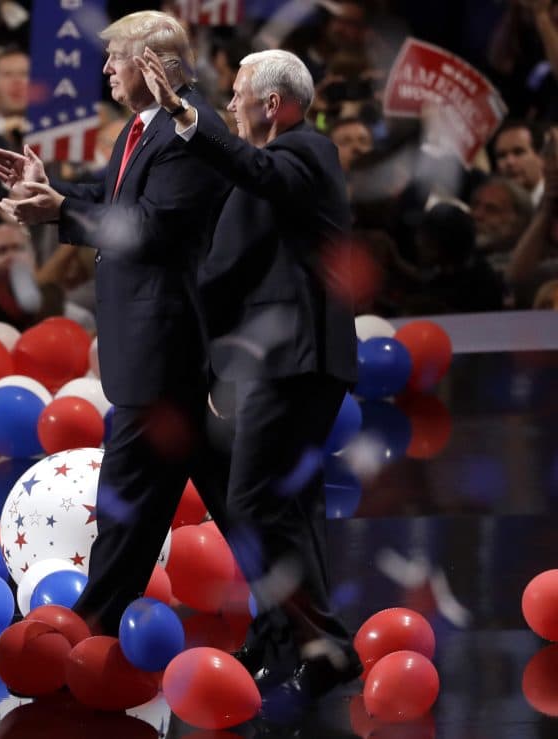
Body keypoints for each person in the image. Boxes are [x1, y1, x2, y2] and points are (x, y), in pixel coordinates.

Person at [0, 11, 228, 637]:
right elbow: (116, 202)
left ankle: (87, 634)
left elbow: (150, 229)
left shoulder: (188, 132)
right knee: (239, 508)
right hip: (153, 351)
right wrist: (52, 188)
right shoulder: (140, 129)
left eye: (115, 58)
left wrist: (58, 210)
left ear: (155, 66)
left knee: (128, 507)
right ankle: (307, 627)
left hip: (166, 350)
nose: (105, 70)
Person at [135, 46, 362, 708]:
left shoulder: (306, 151)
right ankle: (282, 639)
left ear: (273, 102)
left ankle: (328, 646)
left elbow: (259, 171)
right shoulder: (257, 172)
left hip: (298, 358)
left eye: (236, 94)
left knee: (257, 499)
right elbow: (226, 266)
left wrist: (183, 113)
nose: (227, 105)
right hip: (270, 360)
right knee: (279, 504)